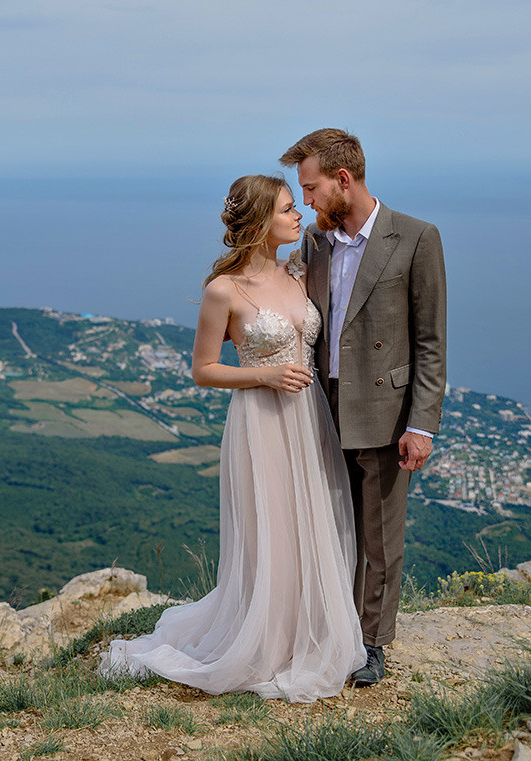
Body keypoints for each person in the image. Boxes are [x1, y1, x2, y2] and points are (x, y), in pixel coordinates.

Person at [99, 174, 365, 702]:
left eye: (297, 206)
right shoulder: (224, 289)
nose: (299, 216)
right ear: (261, 221)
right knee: (271, 530)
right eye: (289, 209)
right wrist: (264, 375)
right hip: (260, 421)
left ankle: (301, 634)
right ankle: (260, 641)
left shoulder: (299, 271)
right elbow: (202, 369)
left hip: (308, 418)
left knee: (306, 523)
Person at [279, 129, 447, 687]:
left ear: (343, 180)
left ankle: (373, 643)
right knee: (331, 530)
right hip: (322, 412)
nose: (306, 201)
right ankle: (337, 631)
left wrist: (422, 424)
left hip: (385, 411)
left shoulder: (417, 238)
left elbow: (430, 343)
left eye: (312, 188)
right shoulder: (316, 244)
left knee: (379, 537)